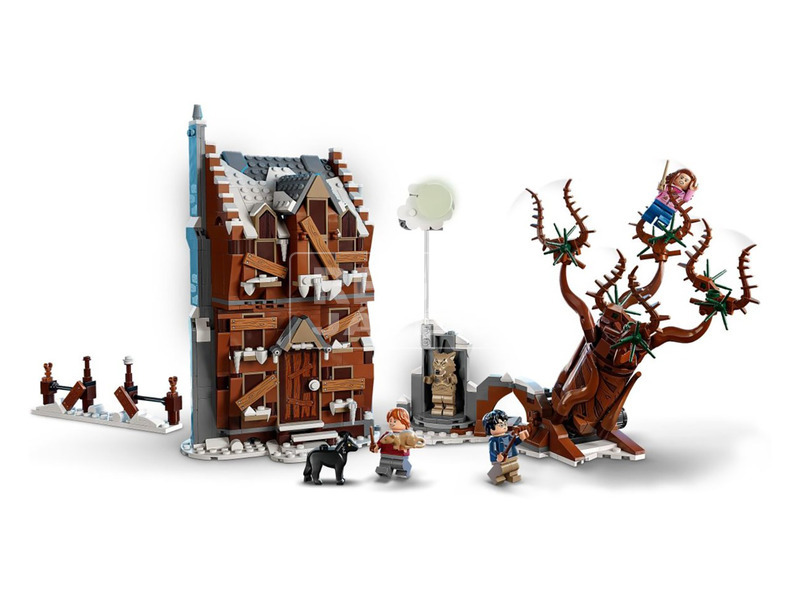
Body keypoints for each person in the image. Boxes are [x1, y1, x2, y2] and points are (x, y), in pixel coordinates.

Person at [371, 407, 425, 478]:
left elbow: (408, 444)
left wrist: (405, 449)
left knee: (400, 465)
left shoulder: (406, 435)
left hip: (400, 455)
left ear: (404, 422)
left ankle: (405, 469)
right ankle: (385, 471)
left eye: (395, 421)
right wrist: (376, 447)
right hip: (385, 455)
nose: (391, 423)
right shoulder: (387, 434)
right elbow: (380, 442)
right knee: (384, 464)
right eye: (390, 420)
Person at [483, 409, 529, 484]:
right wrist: (497, 455)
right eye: (501, 425)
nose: (504, 426)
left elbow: (514, 443)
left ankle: (512, 475)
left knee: (514, 466)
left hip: (511, 456)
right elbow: (493, 450)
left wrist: (520, 438)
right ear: (490, 428)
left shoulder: (508, 436)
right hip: (500, 460)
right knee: (501, 468)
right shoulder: (493, 440)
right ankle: (495, 476)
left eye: (505, 424)